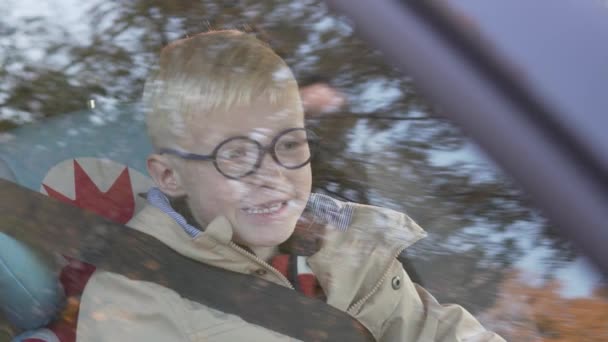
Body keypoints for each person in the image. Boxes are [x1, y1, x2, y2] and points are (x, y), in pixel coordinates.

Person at [14, 30, 504, 341]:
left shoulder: (347, 249)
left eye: (289, 145)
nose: (272, 173)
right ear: (169, 174)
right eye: (236, 155)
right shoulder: (135, 302)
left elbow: (434, 330)